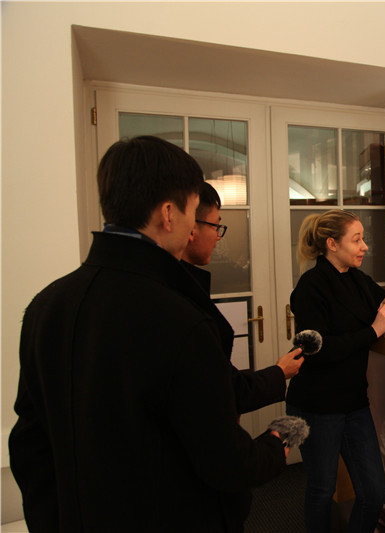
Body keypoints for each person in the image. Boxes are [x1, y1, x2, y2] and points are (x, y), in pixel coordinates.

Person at [9, 136, 289, 533]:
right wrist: (276, 442)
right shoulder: (181, 319)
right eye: (193, 210)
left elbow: (30, 447)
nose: (194, 229)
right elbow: (224, 461)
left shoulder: (47, 305)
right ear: (169, 214)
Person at [285, 209, 385, 533]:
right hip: (316, 405)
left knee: (374, 492)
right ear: (332, 244)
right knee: (322, 491)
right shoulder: (310, 286)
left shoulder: (356, 279)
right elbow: (318, 349)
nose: (364, 246)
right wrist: (373, 330)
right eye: (356, 240)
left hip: (353, 402)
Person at [182, 181, 303, 415]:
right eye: (215, 226)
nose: (218, 237)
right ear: (189, 227)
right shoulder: (173, 300)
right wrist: (279, 372)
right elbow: (218, 388)